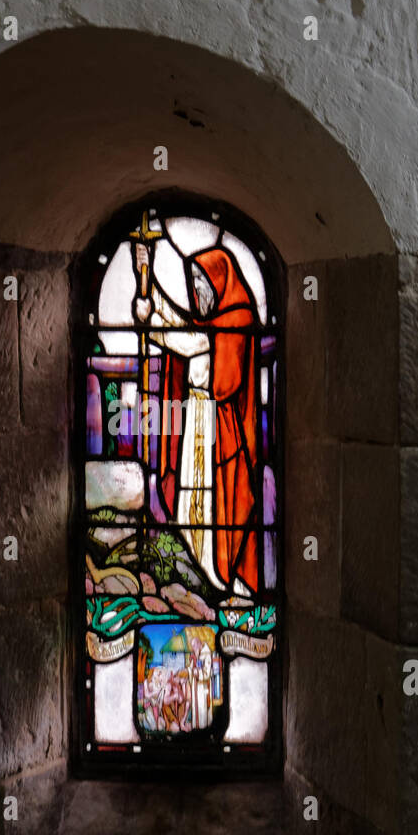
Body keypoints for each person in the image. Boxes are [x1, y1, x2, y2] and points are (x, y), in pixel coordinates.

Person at [135, 243, 259, 597]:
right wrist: (149, 290)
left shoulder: (239, 318)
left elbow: (194, 345)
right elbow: (186, 332)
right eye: (194, 284)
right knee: (190, 493)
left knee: (216, 501)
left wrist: (152, 317)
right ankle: (196, 567)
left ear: (220, 282)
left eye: (202, 283)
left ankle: (220, 576)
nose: (197, 292)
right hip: (195, 417)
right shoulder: (209, 323)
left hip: (220, 426)